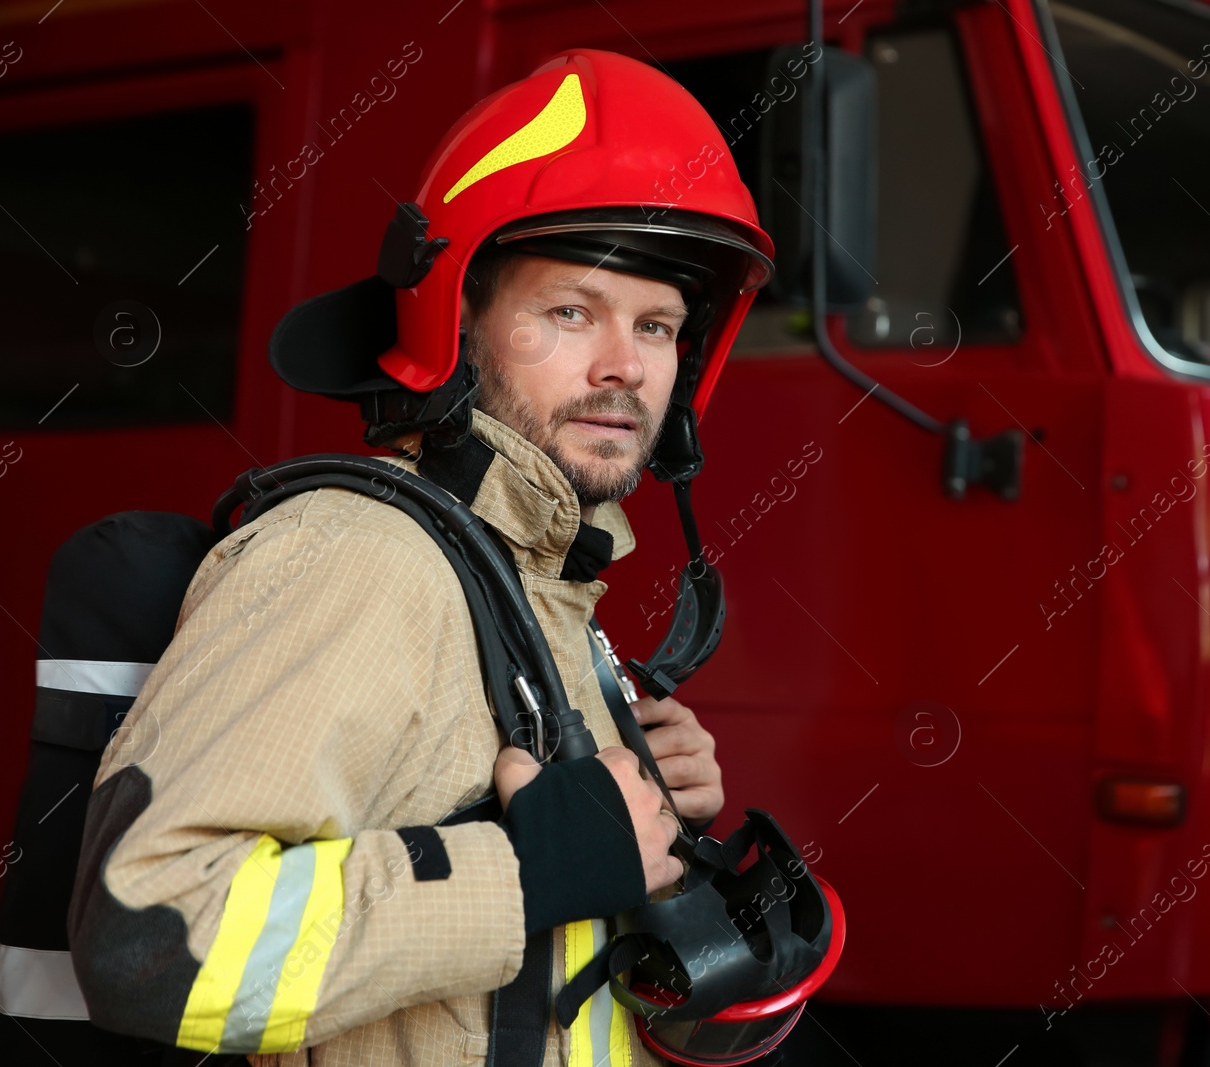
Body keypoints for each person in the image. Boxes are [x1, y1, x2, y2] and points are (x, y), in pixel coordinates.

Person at [66, 47, 776, 1066]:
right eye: (569, 310)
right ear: (455, 319)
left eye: (657, 324)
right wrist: (529, 870)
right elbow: (150, 941)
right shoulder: (356, 560)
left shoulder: (533, 576)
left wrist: (638, 811)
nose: (625, 363)